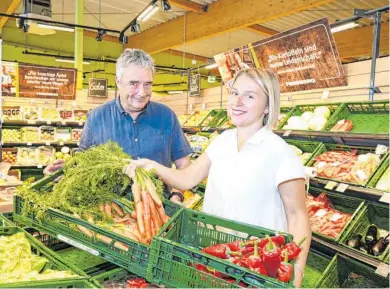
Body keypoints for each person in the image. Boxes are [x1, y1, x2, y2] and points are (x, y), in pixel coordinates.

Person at [124, 68, 311, 287]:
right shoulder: (222, 141)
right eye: (234, 93)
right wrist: (153, 166)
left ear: (268, 106)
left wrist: (296, 275)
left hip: (257, 264)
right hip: (216, 257)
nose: (237, 102)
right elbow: (187, 179)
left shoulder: (280, 153)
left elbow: (298, 217)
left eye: (249, 96)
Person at [45, 48, 192, 203]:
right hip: (108, 212)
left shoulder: (166, 116)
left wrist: (177, 196)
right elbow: (84, 161)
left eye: (147, 84)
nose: (142, 92)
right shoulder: (97, 117)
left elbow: (184, 163)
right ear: (118, 82)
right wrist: (66, 169)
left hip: (160, 210)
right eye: (134, 84)